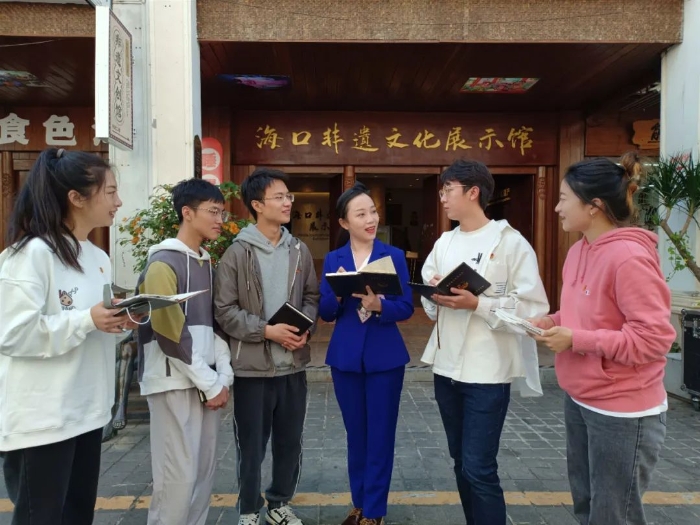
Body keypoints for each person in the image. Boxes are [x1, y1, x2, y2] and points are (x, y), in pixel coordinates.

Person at [530, 153, 676, 525]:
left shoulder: (628, 257)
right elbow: (584, 315)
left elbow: (653, 338)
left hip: (622, 410)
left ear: (593, 206)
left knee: (614, 514)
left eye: (564, 198)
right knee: (587, 505)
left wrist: (577, 340)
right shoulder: (578, 250)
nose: (557, 208)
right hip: (580, 397)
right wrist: (551, 321)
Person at [0, 147, 137, 525]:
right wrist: (87, 320)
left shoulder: (97, 257)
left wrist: (116, 321)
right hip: (43, 420)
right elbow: (13, 334)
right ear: (77, 198)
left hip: (88, 412)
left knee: (77, 515)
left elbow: (90, 326)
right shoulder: (30, 255)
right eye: (111, 192)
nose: (118, 202)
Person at [420, 159, 549, 525]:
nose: (443, 198)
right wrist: (435, 294)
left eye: (448, 190)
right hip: (446, 368)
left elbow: (533, 309)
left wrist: (479, 304)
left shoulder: (510, 242)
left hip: (487, 372)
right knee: (461, 462)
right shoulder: (444, 241)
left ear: (473, 192)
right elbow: (429, 301)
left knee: (479, 467)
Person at [214, 167, 319, 525]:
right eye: (279, 197)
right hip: (252, 370)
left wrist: (305, 328)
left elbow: (311, 297)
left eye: (289, 196)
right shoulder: (237, 253)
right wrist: (267, 331)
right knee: (251, 448)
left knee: (290, 443)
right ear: (257, 205)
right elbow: (224, 311)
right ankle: (248, 510)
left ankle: (279, 504)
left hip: (292, 366)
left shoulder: (299, 250)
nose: (288, 202)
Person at [136, 178, 234, 525]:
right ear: (187, 213)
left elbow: (214, 326)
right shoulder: (163, 262)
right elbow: (169, 332)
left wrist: (222, 375)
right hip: (172, 383)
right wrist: (211, 382)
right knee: (177, 479)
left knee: (202, 476)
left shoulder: (205, 262)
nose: (220, 219)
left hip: (204, 382)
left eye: (221, 212)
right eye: (213, 211)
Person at [319, 182, 414, 525]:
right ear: (344, 223)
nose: (370, 219)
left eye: (372, 211)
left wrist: (380, 306)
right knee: (356, 435)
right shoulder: (334, 259)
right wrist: (338, 293)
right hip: (345, 359)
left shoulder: (394, 256)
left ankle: (374, 512)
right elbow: (326, 312)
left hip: (385, 359)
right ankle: (358, 504)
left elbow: (406, 307)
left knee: (380, 436)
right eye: (361, 214)